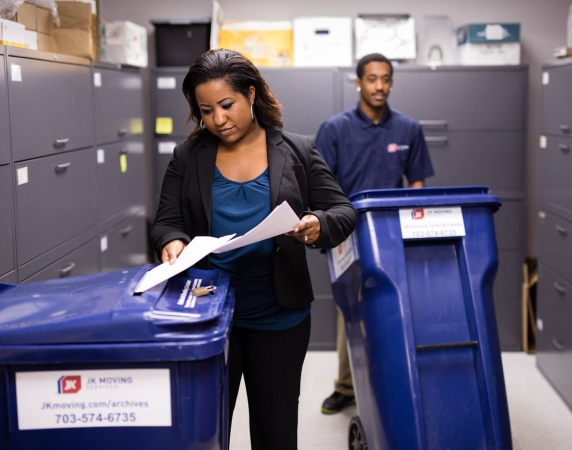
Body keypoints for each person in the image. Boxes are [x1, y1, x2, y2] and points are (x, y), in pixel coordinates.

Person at [149, 49, 358, 450]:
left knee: (275, 430)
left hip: (279, 317)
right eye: (206, 110)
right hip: (209, 321)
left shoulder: (296, 150)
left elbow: (343, 211)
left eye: (226, 106)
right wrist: (172, 241)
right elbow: (166, 221)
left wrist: (318, 225)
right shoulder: (189, 156)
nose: (218, 120)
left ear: (250, 94)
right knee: (206, 430)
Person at [315, 53, 435, 414]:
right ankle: (347, 387)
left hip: (392, 234)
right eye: (371, 79)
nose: (379, 85)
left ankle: (395, 379)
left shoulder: (408, 128)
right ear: (358, 82)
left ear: (391, 83)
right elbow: (320, 185)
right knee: (350, 312)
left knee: (395, 305)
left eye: (385, 79)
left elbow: (416, 182)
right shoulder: (335, 129)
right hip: (347, 234)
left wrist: (416, 230)